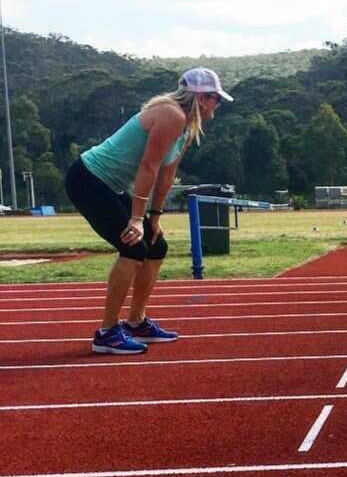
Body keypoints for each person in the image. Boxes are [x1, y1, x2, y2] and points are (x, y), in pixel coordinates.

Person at [64, 68, 229, 355]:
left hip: (109, 185)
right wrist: (137, 219)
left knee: (156, 246)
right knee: (133, 246)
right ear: (203, 97)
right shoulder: (171, 114)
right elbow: (148, 166)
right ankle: (106, 333)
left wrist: (154, 217)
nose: (218, 104)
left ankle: (136, 322)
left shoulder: (188, 127)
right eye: (217, 98)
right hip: (88, 179)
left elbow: (167, 172)